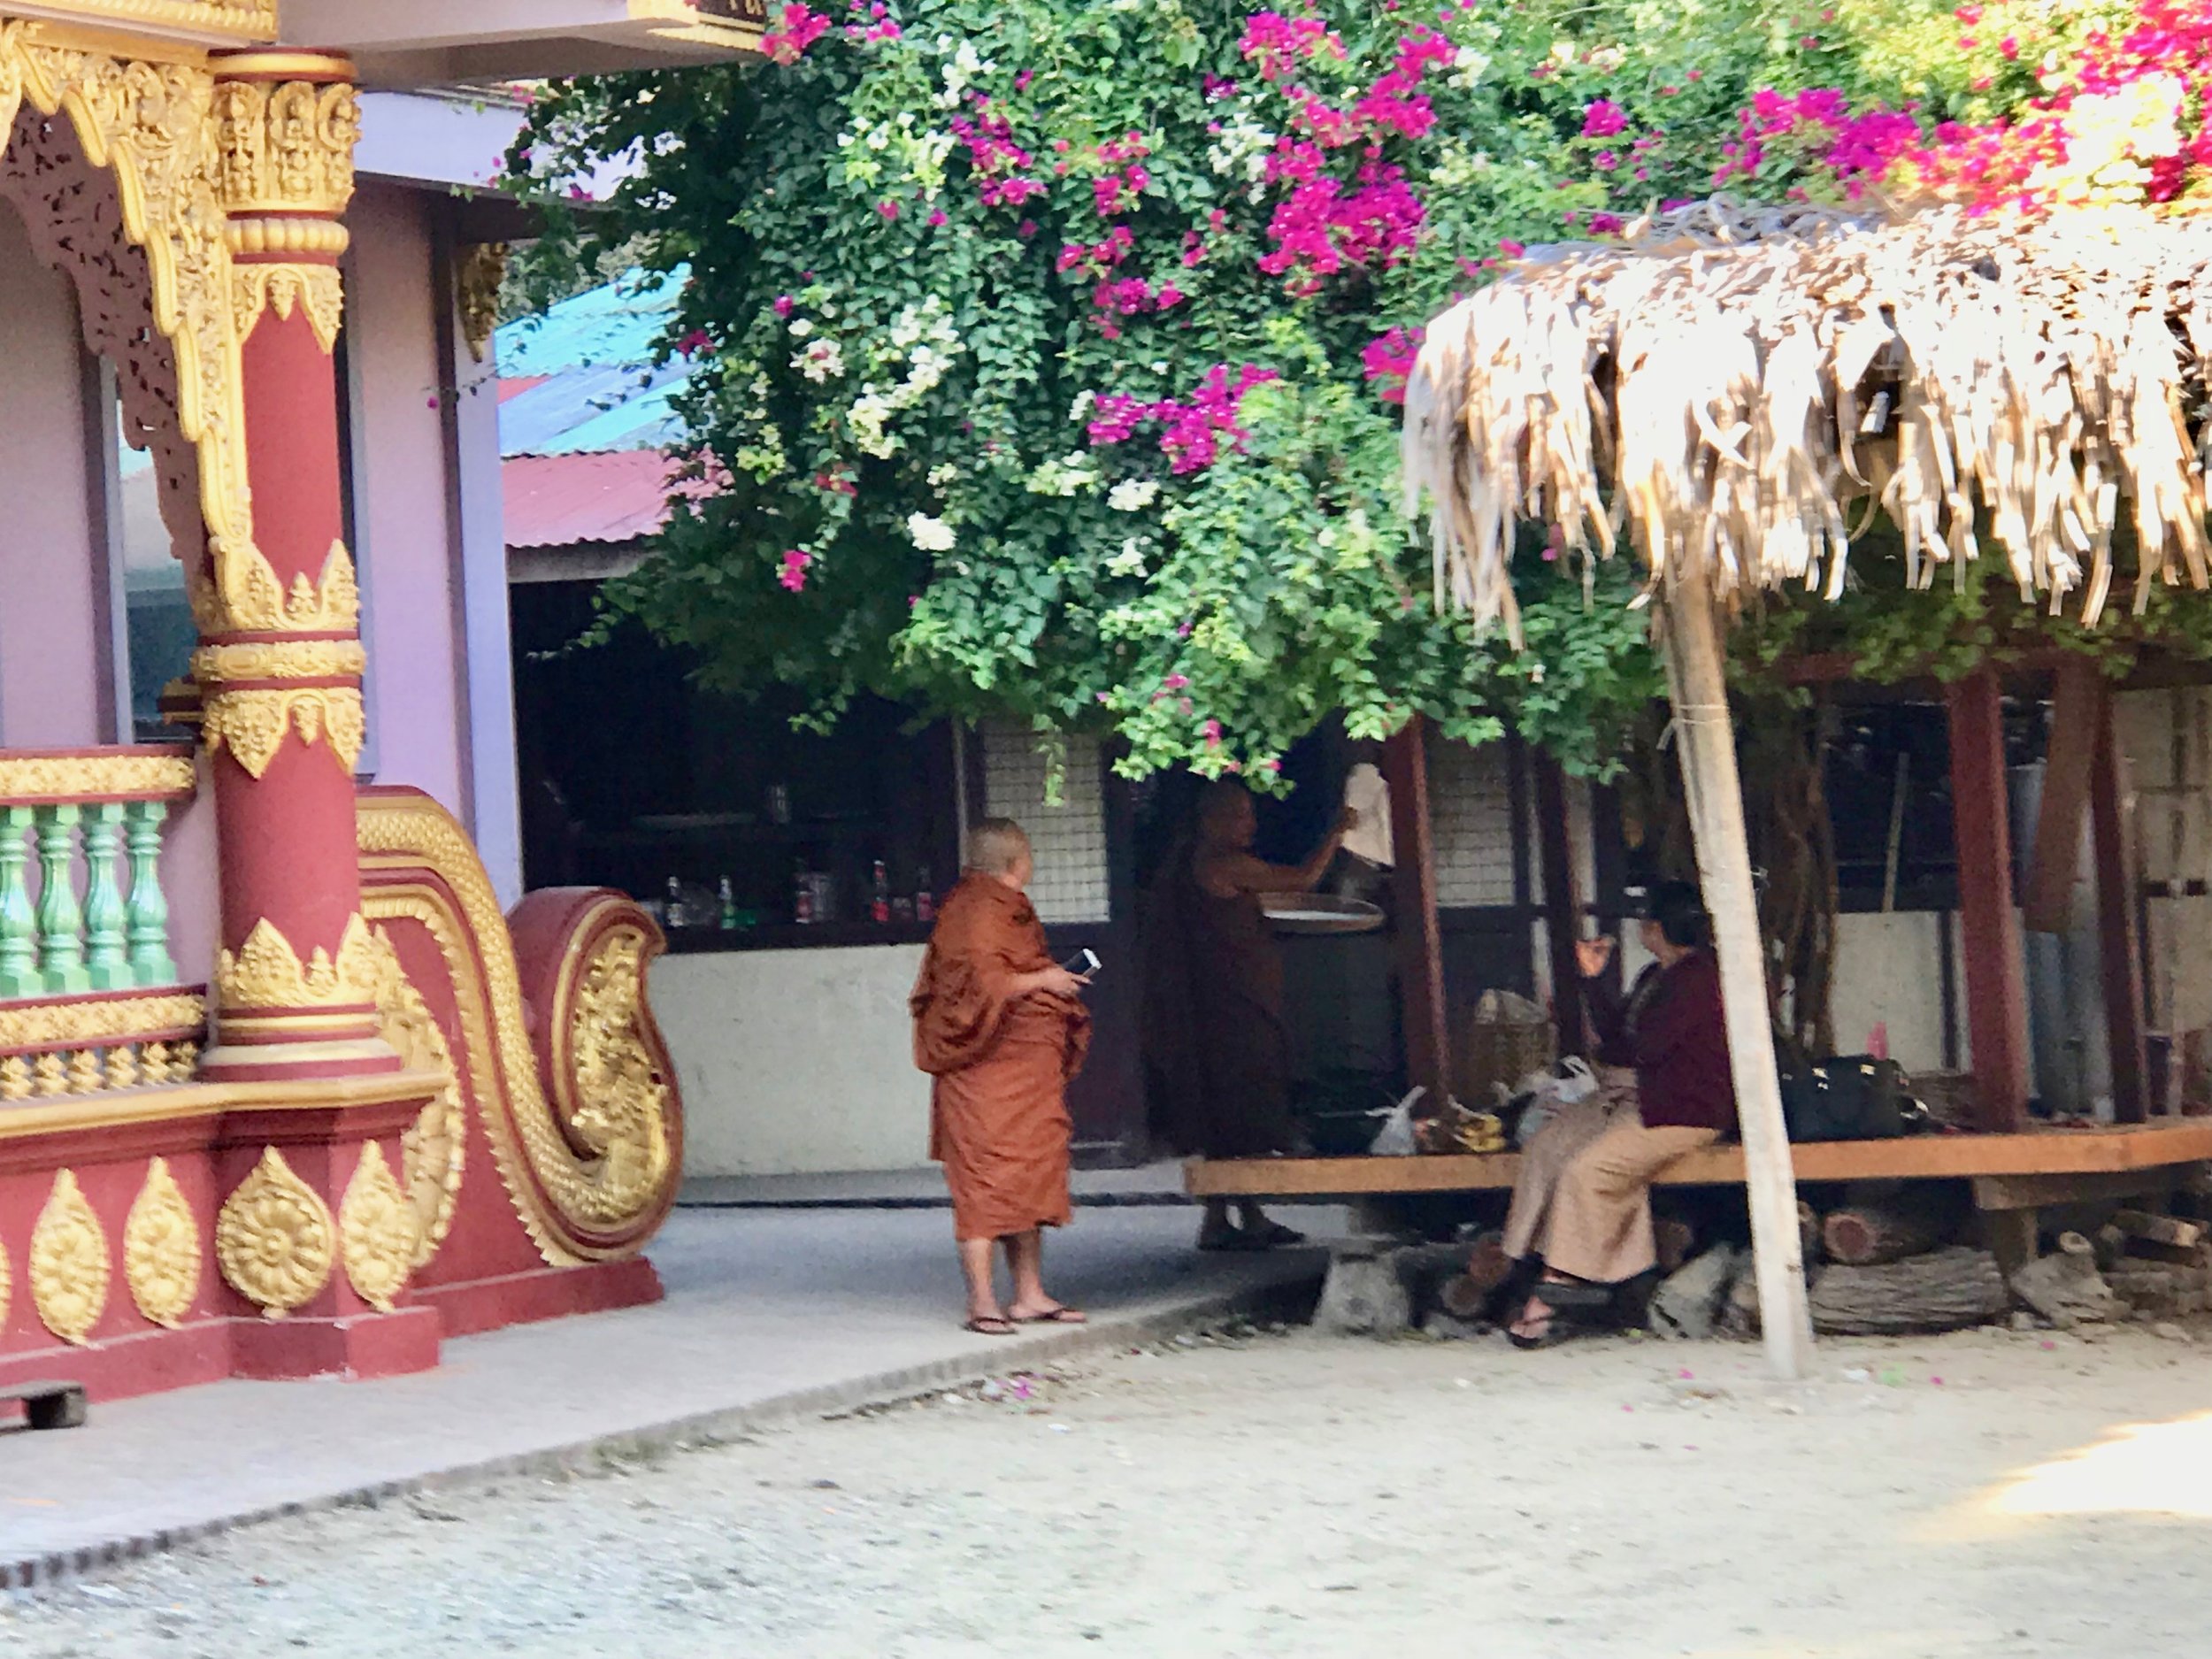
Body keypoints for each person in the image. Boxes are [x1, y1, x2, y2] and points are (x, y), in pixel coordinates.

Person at [1504, 879, 1735, 1348]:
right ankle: (1527, 1259)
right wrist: (1592, 979)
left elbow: (1645, 1047)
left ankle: (1563, 1283)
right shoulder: (1657, 975)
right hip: (1636, 1096)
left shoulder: (1702, 978)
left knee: (1587, 1170)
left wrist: (1617, 1063)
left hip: (1682, 1110)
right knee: (1547, 1147)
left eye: (1647, 920)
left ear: (1658, 928)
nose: (1642, 928)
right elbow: (1617, 1037)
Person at [1143, 779, 1351, 1251]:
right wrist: (1336, 833)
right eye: (1240, 815)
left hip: (1214, 1004)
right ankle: (1232, 1217)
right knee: (1237, 1108)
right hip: (1230, 1010)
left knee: (1223, 1117)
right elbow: (1301, 881)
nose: (1250, 824)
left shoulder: (1187, 861)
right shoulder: (1222, 862)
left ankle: (1234, 1217)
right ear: (1212, 819)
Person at [910, 818, 1094, 1335]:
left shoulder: (1006, 909)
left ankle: (1030, 1295)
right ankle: (983, 1301)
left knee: (1028, 1176)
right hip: (982, 1073)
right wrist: (1046, 978)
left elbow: (1006, 975)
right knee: (985, 1183)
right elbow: (977, 988)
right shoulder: (972, 913)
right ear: (1019, 863)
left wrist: (1049, 982)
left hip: (1026, 1070)